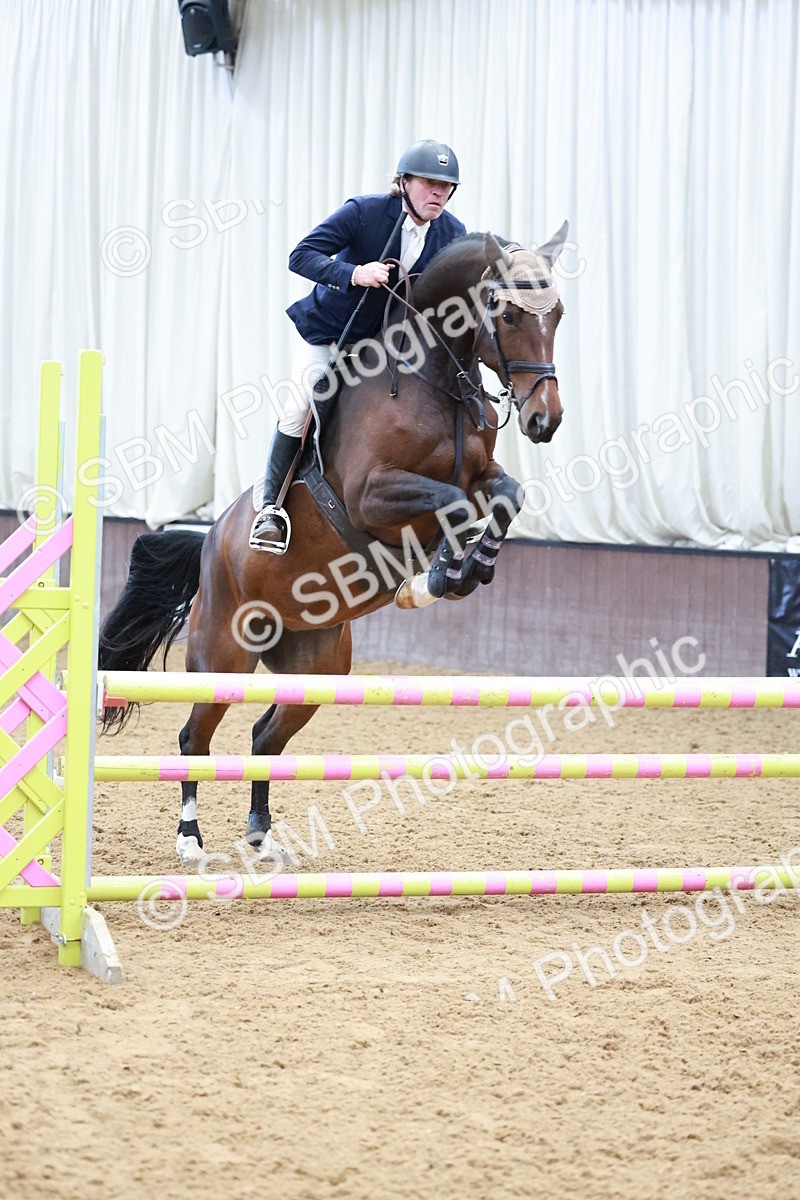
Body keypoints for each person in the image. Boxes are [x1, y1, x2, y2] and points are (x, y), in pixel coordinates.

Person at [249, 139, 466, 553]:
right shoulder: (364, 212)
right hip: (330, 333)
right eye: (429, 182)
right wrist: (354, 273)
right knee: (298, 408)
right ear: (403, 182)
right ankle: (269, 509)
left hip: (382, 350)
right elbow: (301, 255)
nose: (439, 192)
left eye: (446, 186)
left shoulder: (452, 233)